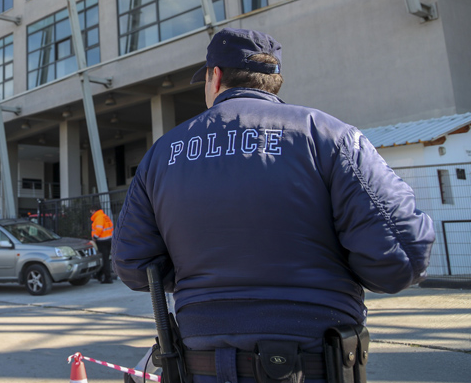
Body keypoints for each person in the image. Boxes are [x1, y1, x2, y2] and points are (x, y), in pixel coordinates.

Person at [112, 27, 435, 383]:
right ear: (274, 80)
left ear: (215, 77)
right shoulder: (329, 136)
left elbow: (133, 264)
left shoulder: (161, 154)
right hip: (316, 363)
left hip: (201, 364)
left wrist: (197, 274)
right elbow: (402, 257)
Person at [90, 203, 114, 284]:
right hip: (108, 239)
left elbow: (99, 229)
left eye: (91, 212)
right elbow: (111, 226)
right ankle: (99, 274)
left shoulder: (99, 217)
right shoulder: (104, 216)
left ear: (94, 210)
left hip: (102, 241)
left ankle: (107, 278)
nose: (91, 213)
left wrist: (94, 238)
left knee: (104, 259)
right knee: (105, 258)